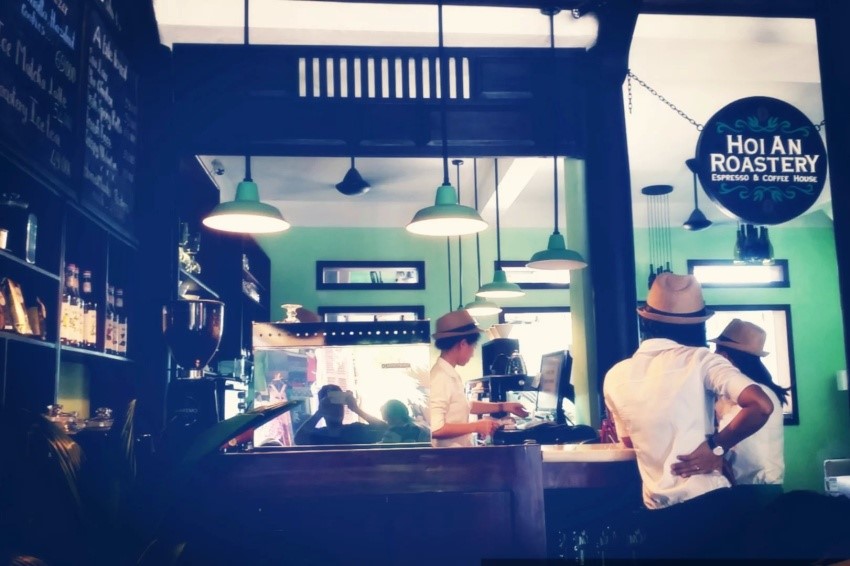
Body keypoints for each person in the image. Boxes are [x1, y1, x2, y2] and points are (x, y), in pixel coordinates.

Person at [603, 273, 774, 559]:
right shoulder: (701, 360)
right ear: (698, 324)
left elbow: (629, 442)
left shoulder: (615, 376)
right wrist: (716, 447)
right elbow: (761, 405)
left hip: (657, 516)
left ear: (646, 320)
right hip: (709, 505)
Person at [429, 309, 528, 447]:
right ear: (463, 344)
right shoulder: (440, 377)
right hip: (448, 458)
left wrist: (504, 406)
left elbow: (465, 406)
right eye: (473, 347)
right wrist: (476, 426)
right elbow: (436, 428)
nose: (472, 353)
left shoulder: (448, 373)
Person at [710, 319, 788, 488]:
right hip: (764, 485)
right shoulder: (765, 390)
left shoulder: (751, 399)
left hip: (753, 487)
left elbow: (726, 444)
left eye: (716, 352)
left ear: (724, 357)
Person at [293, 384, 387, 445]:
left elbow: (386, 431)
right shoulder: (318, 435)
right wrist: (319, 412)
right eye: (331, 406)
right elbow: (298, 440)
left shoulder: (356, 430)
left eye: (339, 405)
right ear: (323, 407)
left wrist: (356, 409)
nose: (337, 410)